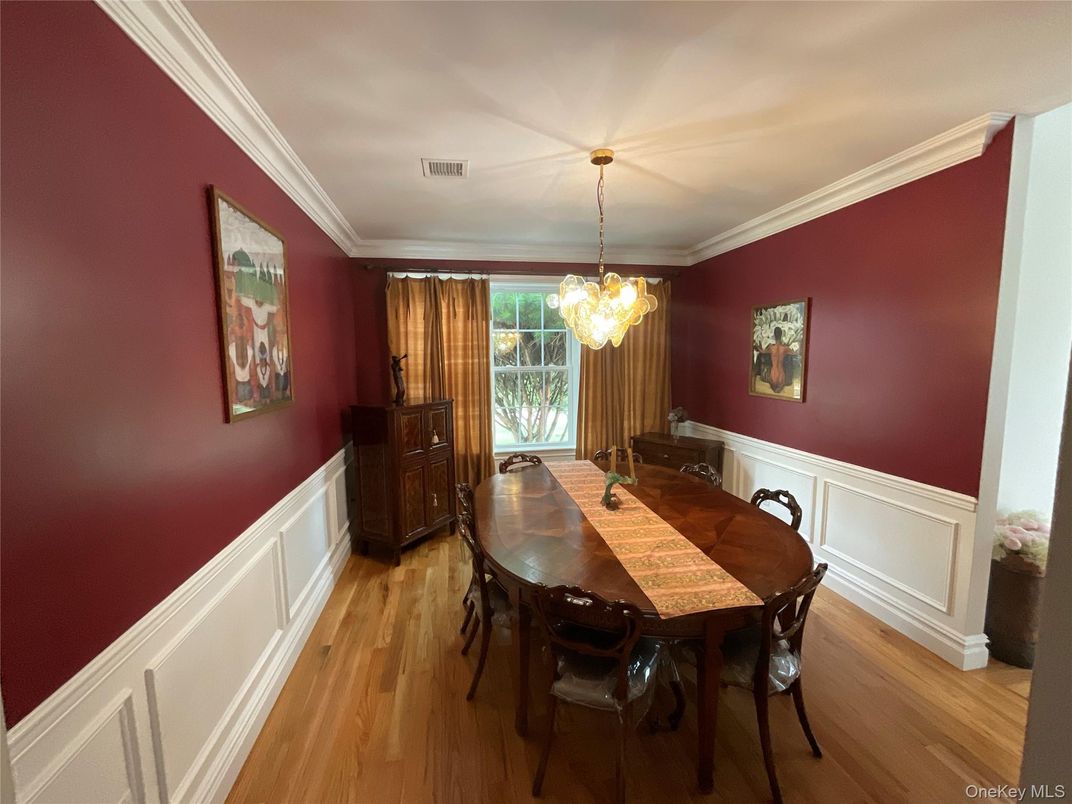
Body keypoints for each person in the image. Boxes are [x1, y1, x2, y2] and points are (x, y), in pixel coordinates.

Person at [764, 326, 797, 393]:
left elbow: (762, 351)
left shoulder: (771, 347)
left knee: (775, 391)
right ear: (781, 335)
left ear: (774, 335)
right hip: (781, 373)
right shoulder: (784, 348)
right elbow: (795, 353)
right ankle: (778, 389)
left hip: (773, 373)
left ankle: (776, 389)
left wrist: (756, 346)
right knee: (779, 390)